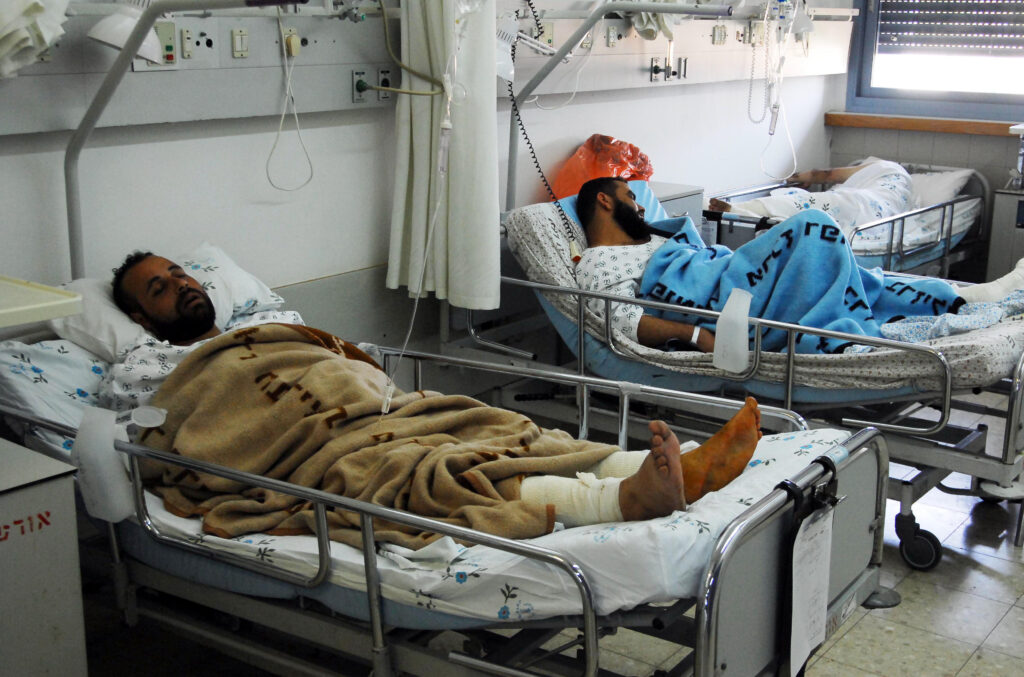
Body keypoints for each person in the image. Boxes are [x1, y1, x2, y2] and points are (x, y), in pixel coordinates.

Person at [106, 251, 764, 547]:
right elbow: (164, 441)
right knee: (425, 476)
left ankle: (664, 468)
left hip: (385, 410)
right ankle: (620, 498)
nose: (180, 285)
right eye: (159, 290)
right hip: (318, 447)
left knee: (500, 429)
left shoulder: (274, 326)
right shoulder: (148, 369)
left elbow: (347, 365)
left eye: (179, 272)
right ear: (141, 318)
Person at [576, 176, 1024, 354]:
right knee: (812, 228)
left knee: (841, 266)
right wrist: (702, 335)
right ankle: (957, 301)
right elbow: (625, 321)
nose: (640, 205)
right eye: (630, 197)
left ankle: (963, 298)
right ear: (604, 200)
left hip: (731, 278)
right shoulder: (598, 264)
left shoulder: (653, 238)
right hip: (725, 304)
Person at [708, 159, 914, 234]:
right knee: (814, 212)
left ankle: (743, 210)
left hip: (858, 199)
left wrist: (798, 177)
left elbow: (827, 174)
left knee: (806, 202)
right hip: (874, 209)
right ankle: (744, 213)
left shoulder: (883, 167)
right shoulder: (903, 185)